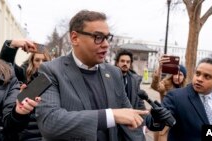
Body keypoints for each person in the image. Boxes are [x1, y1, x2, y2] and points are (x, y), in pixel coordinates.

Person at [35, 10, 148, 141]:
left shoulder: (114, 73)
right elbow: (50, 122)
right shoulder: (50, 70)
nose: (106, 44)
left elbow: (130, 121)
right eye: (98, 37)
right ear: (75, 38)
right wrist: (110, 116)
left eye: (107, 37)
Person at [146, 57, 212, 141]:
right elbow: (153, 123)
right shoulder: (175, 96)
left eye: (207, 76)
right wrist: (156, 118)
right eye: (197, 74)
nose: (199, 79)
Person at [0, 39, 51, 141]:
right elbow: (6, 64)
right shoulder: (23, 75)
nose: (41, 64)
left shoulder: (56, 79)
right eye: (37, 60)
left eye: (44, 60)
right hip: (25, 135)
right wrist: (12, 45)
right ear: (31, 61)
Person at [150, 55, 187, 141]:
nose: (177, 77)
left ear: (184, 77)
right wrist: (160, 68)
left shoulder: (187, 89)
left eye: (180, 74)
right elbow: (155, 86)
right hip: (165, 123)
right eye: (175, 74)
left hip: (180, 123)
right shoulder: (166, 86)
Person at [115, 49, 146, 141]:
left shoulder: (134, 80)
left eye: (128, 62)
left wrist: (143, 124)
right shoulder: (108, 78)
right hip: (114, 123)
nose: (125, 64)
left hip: (130, 125)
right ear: (117, 63)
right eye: (122, 61)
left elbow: (140, 103)